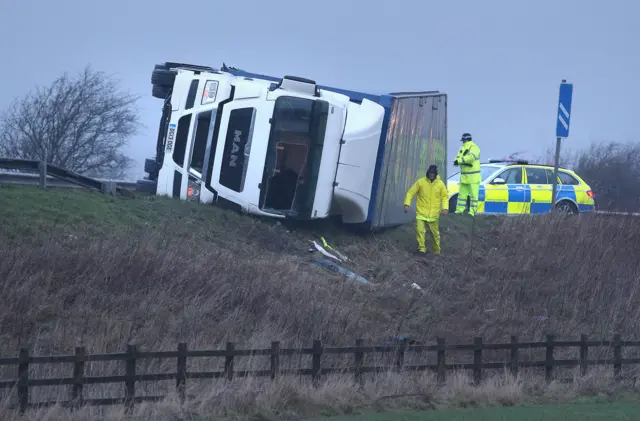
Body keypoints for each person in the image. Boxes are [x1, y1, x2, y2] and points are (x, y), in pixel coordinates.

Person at [403, 165, 449, 255]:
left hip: (434, 214)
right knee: (420, 231)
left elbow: (444, 197)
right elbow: (410, 193)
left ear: (436, 174)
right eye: (430, 173)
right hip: (421, 212)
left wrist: (445, 208)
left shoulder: (440, 184)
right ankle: (421, 249)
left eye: (433, 173)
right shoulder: (420, 182)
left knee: (435, 234)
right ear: (428, 172)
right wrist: (406, 204)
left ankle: (437, 251)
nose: (431, 175)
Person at [453, 133, 481, 216]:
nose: (463, 142)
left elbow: (471, 158)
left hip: (473, 177)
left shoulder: (474, 147)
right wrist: (456, 161)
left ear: (465, 140)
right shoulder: (462, 147)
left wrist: (459, 161)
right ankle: (459, 211)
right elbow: (458, 157)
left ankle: (472, 213)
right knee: (462, 196)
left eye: (463, 140)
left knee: (473, 196)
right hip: (464, 177)